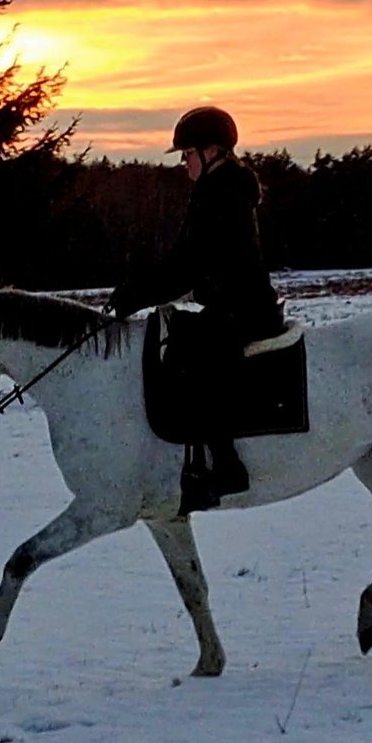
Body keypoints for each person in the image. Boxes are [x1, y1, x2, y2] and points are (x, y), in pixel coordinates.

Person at [107, 106, 284, 514]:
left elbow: (190, 264)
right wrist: (137, 288)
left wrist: (138, 293)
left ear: (212, 151)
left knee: (193, 356)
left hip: (243, 308)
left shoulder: (222, 191)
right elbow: (183, 259)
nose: (184, 162)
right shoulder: (217, 187)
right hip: (230, 303)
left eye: (188, 154)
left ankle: (225, 466)